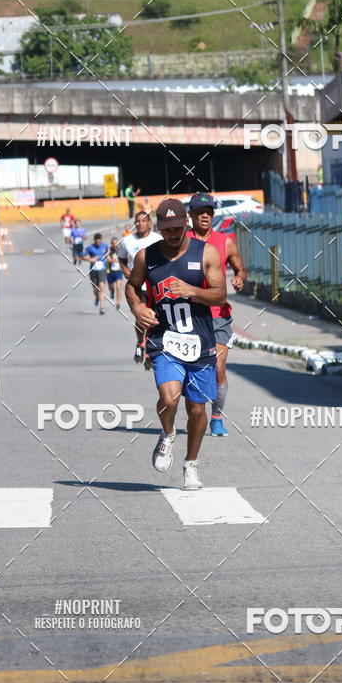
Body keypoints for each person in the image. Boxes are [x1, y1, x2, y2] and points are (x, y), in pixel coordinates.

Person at [125, 198, 226, 490]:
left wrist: (192, 290)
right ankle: (167, 434)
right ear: (159, 228)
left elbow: (220, 295)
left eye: (177, 228)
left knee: (197, 410)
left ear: (186, 225)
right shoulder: (146, 256)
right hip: (164, 340)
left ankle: (191, 465)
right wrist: (136, 308)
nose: (172, 234)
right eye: (166, 229)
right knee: (169, 398)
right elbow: (132, 286)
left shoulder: (206, 253)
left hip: (200, 342)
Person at [187, 193, 247, 437]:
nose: (205, 215)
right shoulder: (182, 241)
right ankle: (196, 412)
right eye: (200, 211)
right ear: (190, 214)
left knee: (219, 367)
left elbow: (240, 268)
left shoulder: (226, 242)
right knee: (194, 368)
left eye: (209, 211)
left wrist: (239, 278)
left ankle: (217, 417)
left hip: (218, 314)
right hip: (190, 313)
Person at [118, 211, 162, 363]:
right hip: (137, 284)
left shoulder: (158, 239)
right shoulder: (127, 241)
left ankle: (150, 346)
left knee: (155, 315)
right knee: (141, 315)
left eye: (144, 221)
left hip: (154, 283)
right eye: (138, 221)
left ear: (150, 223)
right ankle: (141, 342)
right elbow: (121, 257)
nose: (141, 224)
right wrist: (125, 270)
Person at [82, 232, 109, 314]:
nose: (98, 243)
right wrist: (90, 260)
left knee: (102, 287)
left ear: (101, 240)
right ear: (94, 241)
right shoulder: (90, 247)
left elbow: (108, 254)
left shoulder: (105, 246)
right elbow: (83, 256)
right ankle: (97, 298)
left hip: (102, 270)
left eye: (99, 241)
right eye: (97, 241)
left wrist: (107, 259)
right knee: (95, 289)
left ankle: (102, 307)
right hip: (93, 270)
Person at [106, 237, 124, 311]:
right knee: (111, 287)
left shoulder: (121, 250)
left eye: (116, 243)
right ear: (111, 244)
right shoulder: (109, 250)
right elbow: (108, 259)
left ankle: (118, 303)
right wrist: (116, 260)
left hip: (118, 272)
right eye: (113, 243)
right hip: (110, 271)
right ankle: (112, 292)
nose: (115, 245)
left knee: (119, 287)